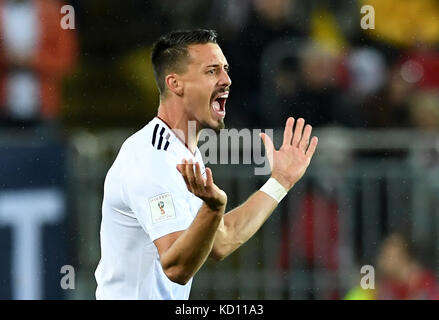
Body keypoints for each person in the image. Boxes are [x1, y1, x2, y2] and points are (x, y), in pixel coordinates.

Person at [94, 29, 318, 300]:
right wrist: (212, 209)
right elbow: (176, 267)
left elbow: (221, 239)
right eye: (212, 71)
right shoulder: (151, 157)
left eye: (225, 69)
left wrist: (279, 182)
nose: (227, 80)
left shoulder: (185, 153)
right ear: (176, 84)